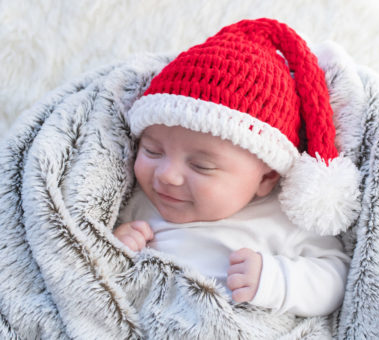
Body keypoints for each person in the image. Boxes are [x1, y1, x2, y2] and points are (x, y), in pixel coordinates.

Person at [113, 18, 360, 317]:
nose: (166, 174)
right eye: (152, 151)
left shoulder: (282, 219)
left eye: (201, 165)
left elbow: (337, 277)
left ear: (267, 177)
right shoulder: (140, 206)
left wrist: (277, 281)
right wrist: (117, 247)